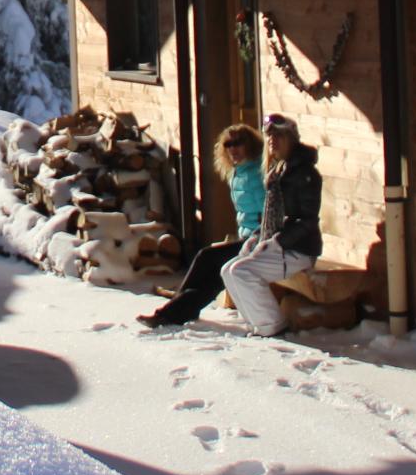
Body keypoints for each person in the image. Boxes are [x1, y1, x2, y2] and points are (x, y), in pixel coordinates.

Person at [136, 124, 265, 328]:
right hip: (247, 237)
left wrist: (257, 237)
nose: (233, 149)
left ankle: (174, 311)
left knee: (210, 261)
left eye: (238, 143)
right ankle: (178, 308)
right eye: (228, 144)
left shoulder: (257, 174)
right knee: (209, 263)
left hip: (260, 241)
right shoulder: (238, 173)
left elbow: (267, 211)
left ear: (251, 146)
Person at [220, 113, 322, 337]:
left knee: (241, 272)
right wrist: (258, 238)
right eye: (269, 136)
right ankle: (256, 324)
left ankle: (273, 326)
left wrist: (276, 242)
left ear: (291, 138)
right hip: (279, 244)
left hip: (299, 248)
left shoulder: (305, 174)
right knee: (227, 270)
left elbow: (307, 221)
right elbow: (268, 218)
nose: (273, 140)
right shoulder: (278, 172)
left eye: (279, 135)